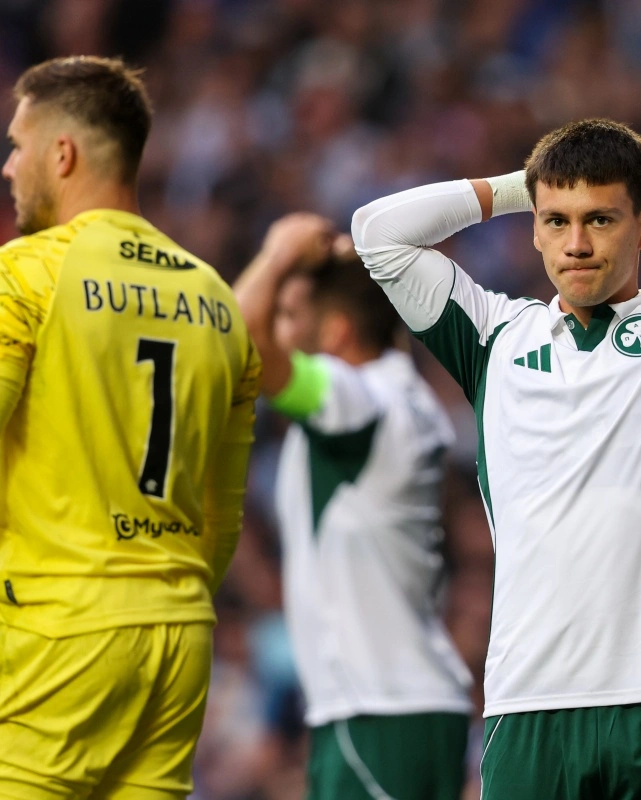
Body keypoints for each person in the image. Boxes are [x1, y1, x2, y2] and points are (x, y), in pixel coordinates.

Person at [352, 118, 641, 799]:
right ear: (535, 231)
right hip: (530, 715)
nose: (577, 243)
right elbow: (376, 232)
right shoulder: (493, 339)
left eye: (600, 218)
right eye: (556, 221)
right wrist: (522, 187)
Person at [0, 56, 260, 799]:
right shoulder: (217, 300)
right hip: (179, 638)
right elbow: (221, 521)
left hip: (57, 631)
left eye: (17, 145)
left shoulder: (27, 275)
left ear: (62, 153)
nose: (9, 167)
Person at [233, 213, 472, 800]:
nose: (279, 329)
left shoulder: (354, 401)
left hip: (375, 711)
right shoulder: (407, 397)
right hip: (410, 703)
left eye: (290, 316)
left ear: (336, 332)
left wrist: (277, 251)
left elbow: (238, 341)